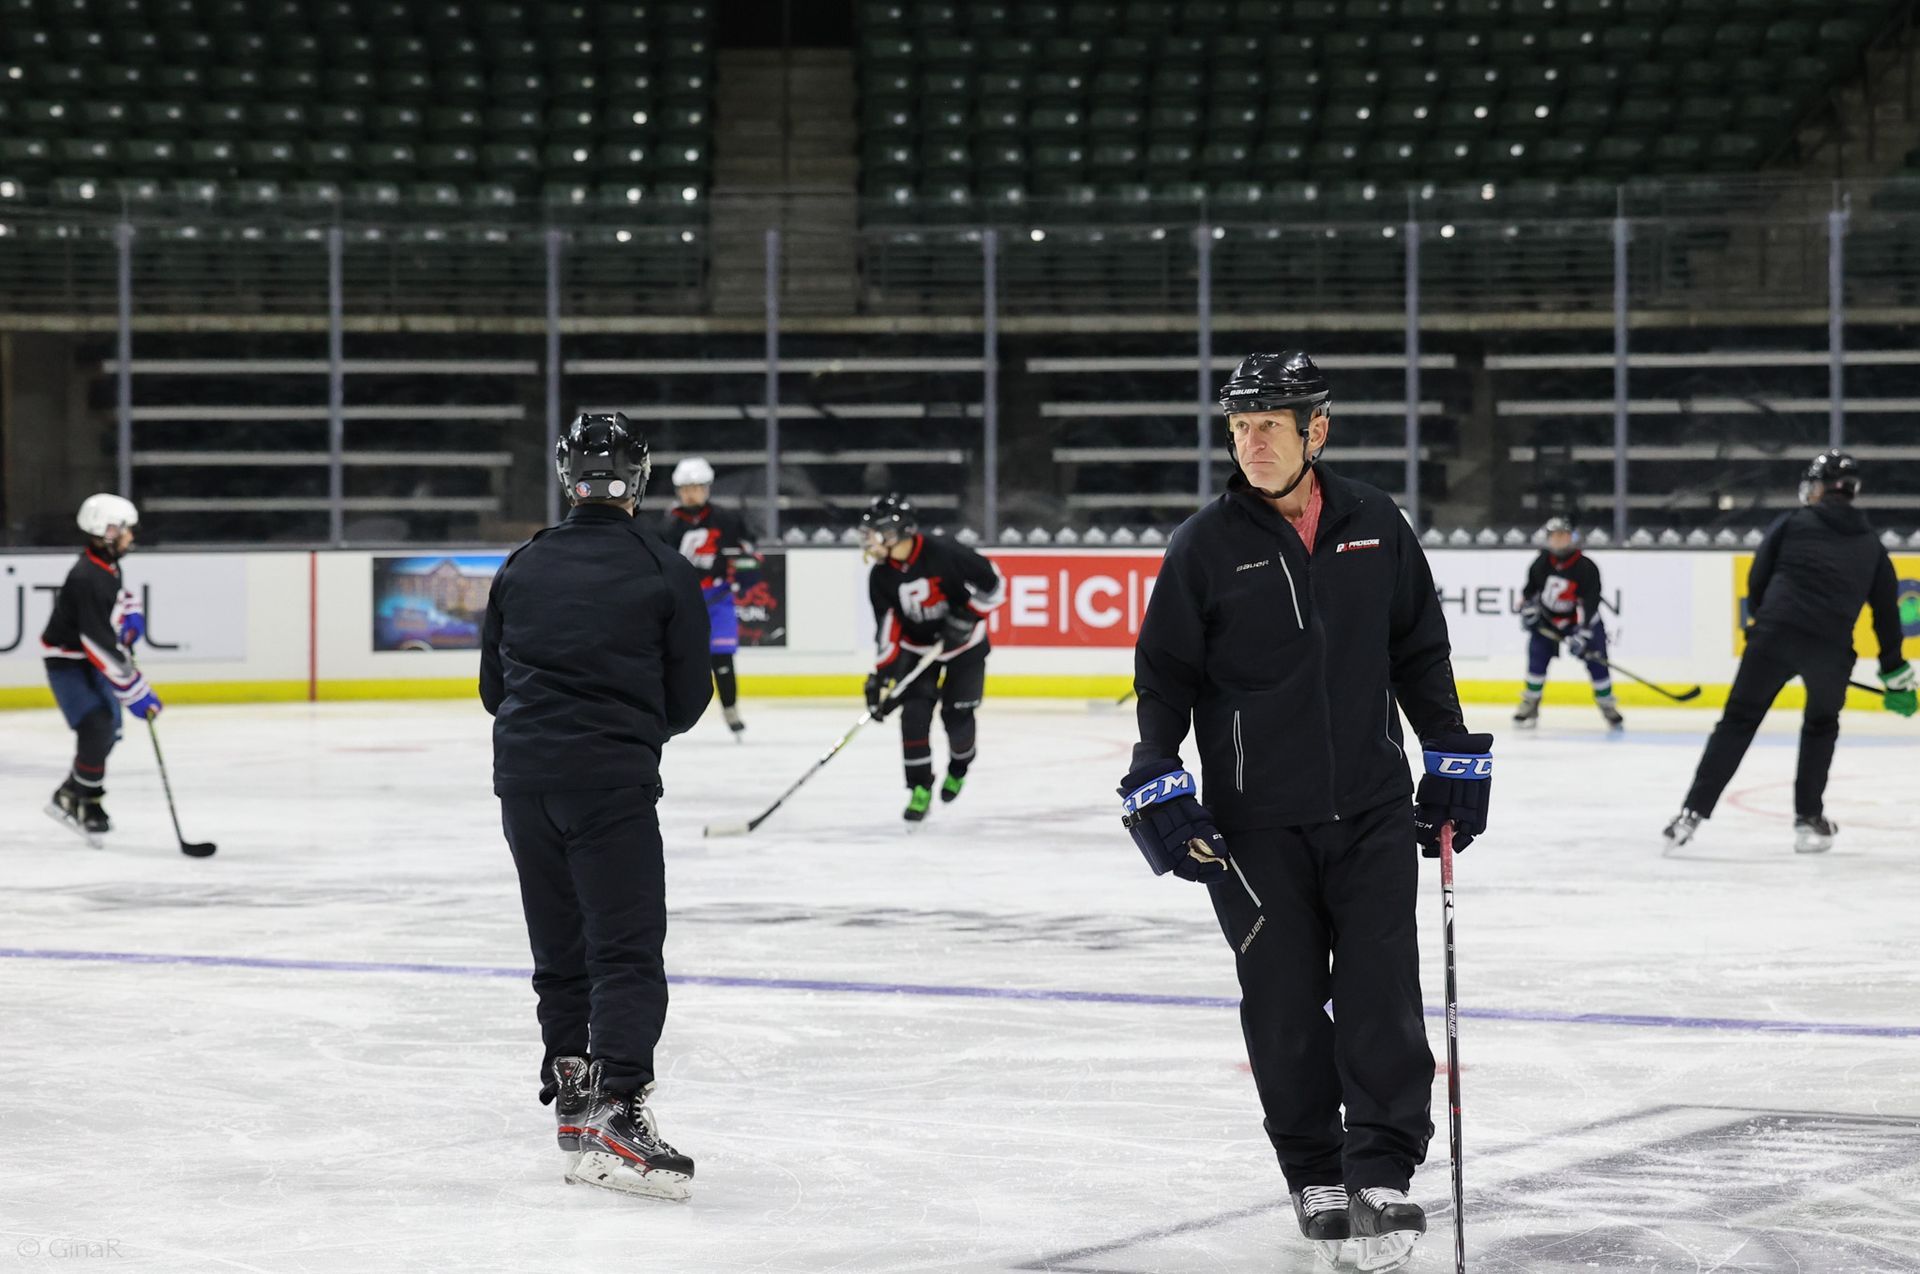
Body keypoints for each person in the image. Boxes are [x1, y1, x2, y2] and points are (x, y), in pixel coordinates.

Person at [1119, 351, 1491, 1271]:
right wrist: (1159, 773)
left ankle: (1382, 1169)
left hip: (1369, 805)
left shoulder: (1375, 523)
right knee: (1282, 1002)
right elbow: (1163, 678)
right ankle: (1315, 1170)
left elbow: (1419, 649)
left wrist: (1448, 753)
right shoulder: (1203, 544)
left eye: (1269, 424)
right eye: (1240, 426)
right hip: (1251, 826)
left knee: (1381, 994)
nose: (1251, 442)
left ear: (1314, 430)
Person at [481, 412, 712, 1200]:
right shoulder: (664, 567)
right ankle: (617, 1108)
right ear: (639, 481)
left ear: (565, 476)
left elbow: (491, 690)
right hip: (609, 784)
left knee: (561, 951)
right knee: (625, 950)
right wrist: (628, 732)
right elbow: (688, 698)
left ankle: (575, 1096)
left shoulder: (522, 564)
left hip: (522, 782)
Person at [1664, 450, 1913, 854]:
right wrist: (1895, 673)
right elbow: (1886, 614)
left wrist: (1765, 625)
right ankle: (1808, 821)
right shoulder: (1871, 544)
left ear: (1817, 488)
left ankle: (1690, 815)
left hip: (1775, 636)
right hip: (1830, 650)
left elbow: (1758, 577)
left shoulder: (1793, 522)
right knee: (1820, 725)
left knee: (1738, 722)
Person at [860, 493, 1006, 823]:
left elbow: (994, 585)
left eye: (876, 532)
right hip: (917, 648)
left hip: (965, 647)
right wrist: (881, 676)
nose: (869, 540)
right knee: (912, 715)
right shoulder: (880, 576)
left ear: (899, 532)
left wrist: (968, 616)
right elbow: (887, 627)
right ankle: (919, 788)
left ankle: (959, 766)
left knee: (957, 718)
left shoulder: (945, 551)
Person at [40, 493, 162, 846]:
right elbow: (96, 645)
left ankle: (76, 796)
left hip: (87, 662)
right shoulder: (86, 577)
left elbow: (116, 597)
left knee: (107, 731)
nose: (131, 536)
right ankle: (82, 800)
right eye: (126, 530)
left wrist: (128, 616)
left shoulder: (105, 564)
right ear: (109, 531)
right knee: (96, 725)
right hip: (68, 663)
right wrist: (136, 692)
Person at [660, 456, 760, 740]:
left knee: (722, 657)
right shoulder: (669, 525)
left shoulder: (726, 519)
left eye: (696, 486)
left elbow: (749, 551)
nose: (690, 493)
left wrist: (744, 574)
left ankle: (731, 710)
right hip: (682, 599)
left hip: (718, 597)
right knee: (673, 658)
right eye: (685, 488)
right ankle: (669, 712)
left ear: (707, 488)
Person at [1512, 517, 1624, 732]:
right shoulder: (1541, 563)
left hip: (1579, 622)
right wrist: (1528, 611)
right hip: (1548, 621)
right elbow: (1529, 593)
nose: (1559, 540)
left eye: (1564, 535)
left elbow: (1591, 603)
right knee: (1536, 659)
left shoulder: (1586, 567)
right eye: (1555, 536)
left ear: (1572, 537)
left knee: (1598, 662)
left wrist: (1582, 634)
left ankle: (1607, 705)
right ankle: (1530, 704)